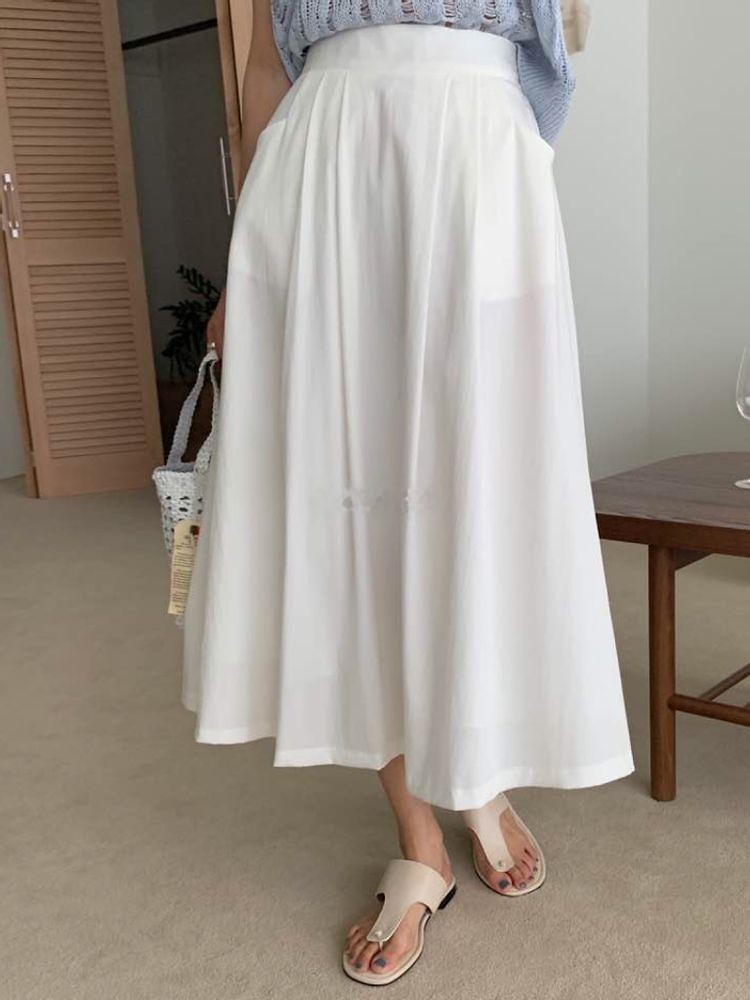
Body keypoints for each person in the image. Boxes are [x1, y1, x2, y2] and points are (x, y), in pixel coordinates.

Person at [182, 0, 634, 986]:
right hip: (323, 170)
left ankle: (473, 771)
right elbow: (264, 71)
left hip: (477, 162)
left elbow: (556, 45)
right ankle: (420, 836)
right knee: (352, 509)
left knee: (480, 498)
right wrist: (243, 262)